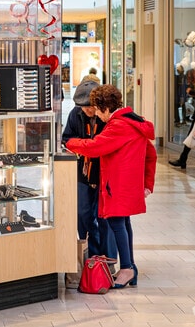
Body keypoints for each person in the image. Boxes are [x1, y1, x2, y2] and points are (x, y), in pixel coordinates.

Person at [65, 84, 156, 289]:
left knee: (116, 223)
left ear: (105, 107)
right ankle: (130, 266)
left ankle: (126, 269)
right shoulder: (134, 121)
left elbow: (95, 147)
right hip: (126, 184)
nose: (96, 113)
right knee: (124, 224)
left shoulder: (118, 125)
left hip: (117, 184)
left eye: (97, 109)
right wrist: (147, 184)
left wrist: (70, 143)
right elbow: (152, 154)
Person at [62, 80, 117, 272]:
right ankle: (92, 257)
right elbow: (66, 139)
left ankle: (108, 262)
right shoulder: (75, 115)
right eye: (83, 108)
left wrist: (90, 146)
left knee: (105, 218)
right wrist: (85, 146)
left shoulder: (108, 119)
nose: (87, 112)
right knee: (83, 214)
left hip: (105, 173)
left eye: (90, 108)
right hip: (83, 173)